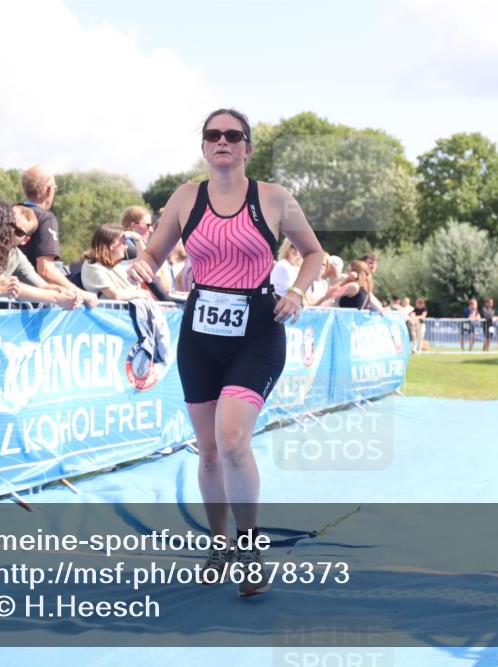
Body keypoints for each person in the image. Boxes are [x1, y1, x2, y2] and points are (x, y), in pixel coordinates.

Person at [128, 108, 324, 597]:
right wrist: (142, 263)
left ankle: (250, 544)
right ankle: (220, 545)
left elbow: (314, 253)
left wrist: (297, 291)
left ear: (246, 148)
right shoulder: (184, 198)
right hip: (200, 333)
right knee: (210, 450)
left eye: (232, 136)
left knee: (233, 440)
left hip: (258, 329)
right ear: (203, 146)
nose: (222, 142)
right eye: (213, 135)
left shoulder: (275, 199)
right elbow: (155, 253)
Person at [18, 165, 98, 307]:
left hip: (3, 298)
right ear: (48, 190)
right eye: (54, 188)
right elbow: (46, 270)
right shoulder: (45, 218)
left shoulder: (9, 213)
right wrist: (79, 292)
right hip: (29, 304)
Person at [80, 224, 156, 301]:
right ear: (111, 245)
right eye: (123, 242)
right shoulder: (93, 267)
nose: (126, 247)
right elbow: (115, 295)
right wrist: (139, 293)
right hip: (109, 312)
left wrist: (138, 239)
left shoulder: (116, 265)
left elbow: (144, 262)